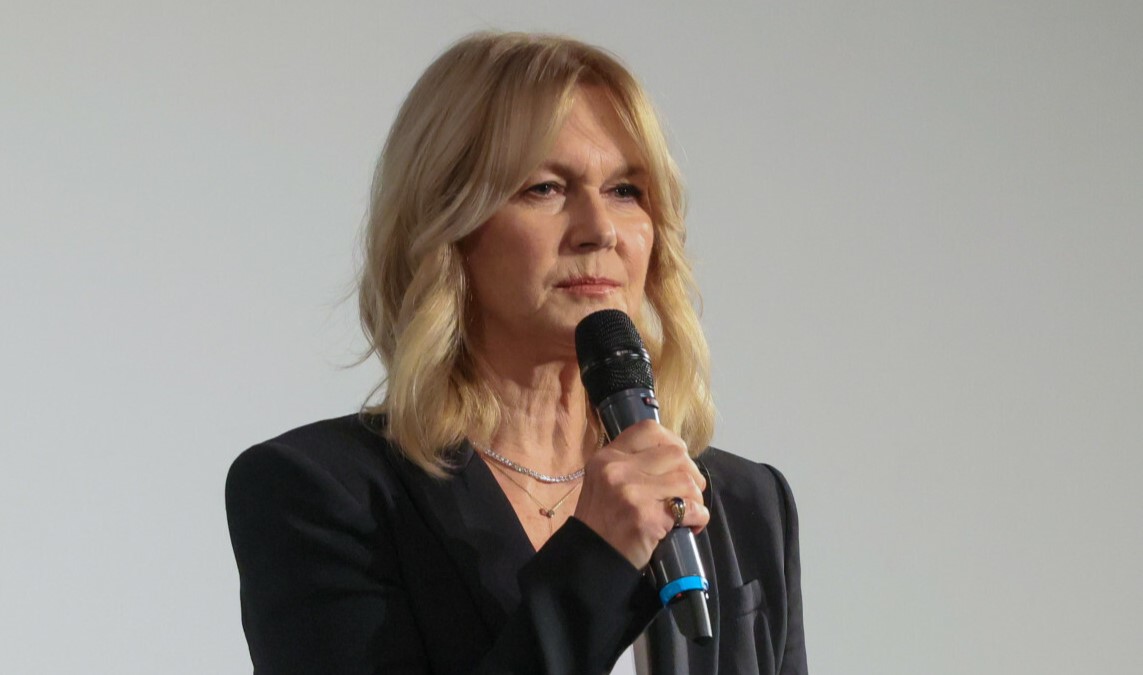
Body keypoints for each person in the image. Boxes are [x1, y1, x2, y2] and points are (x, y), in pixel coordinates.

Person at [225, 31, 807, 674]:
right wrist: (599, 559)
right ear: (449, 223)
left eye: (625, 190)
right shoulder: (319, 493)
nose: (599, 230)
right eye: (545, 188)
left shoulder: (745, 503)